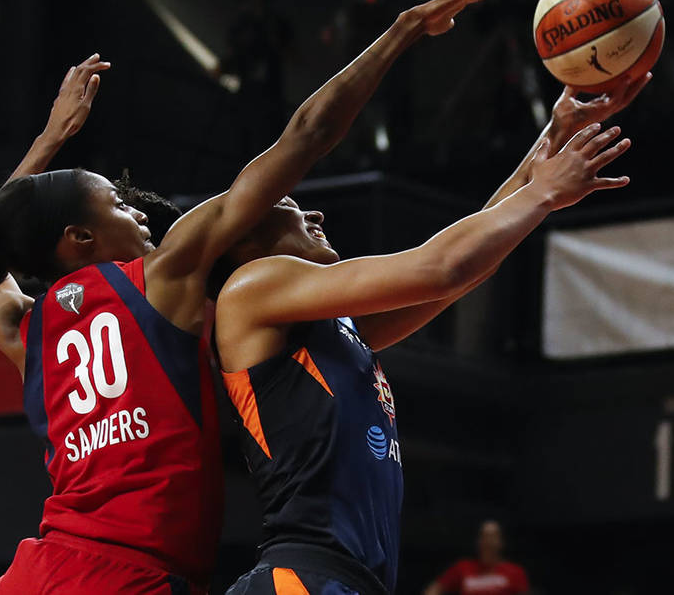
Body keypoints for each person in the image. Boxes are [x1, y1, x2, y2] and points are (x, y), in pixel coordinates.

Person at [0, 0, 507, 595]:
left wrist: (47, 142)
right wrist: (400, 33)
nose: (137, 212)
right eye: (117, 205)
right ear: (80, 239)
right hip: (134, 576)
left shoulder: (28, 331)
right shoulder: (162, 275)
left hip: (40, 570)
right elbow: (308, 134)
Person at [212, 72, 648, 592]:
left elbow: (463, 272)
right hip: (302, 574)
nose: (314, 210)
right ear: (244, 241)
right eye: (288, 205)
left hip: (349, 579)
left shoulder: (332, 328)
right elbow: (441, 267)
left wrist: (551, 137)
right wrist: (546, 194)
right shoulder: (252, 286)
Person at [424, 521, 529, 595]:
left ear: (501, 542)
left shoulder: (515, 572)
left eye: (493, 536)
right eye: (485, 536)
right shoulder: (463, 567)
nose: (489, 541)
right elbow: (435, 589)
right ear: (479, 541)